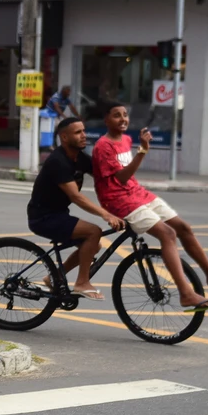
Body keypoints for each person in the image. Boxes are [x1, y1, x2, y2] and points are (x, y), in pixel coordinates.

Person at [92, 103, 208, 308]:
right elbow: (122, 177)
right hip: (117, 199)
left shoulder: (126, 139)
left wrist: (140, 148)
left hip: (136, 192)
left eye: (125, 115)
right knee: (167, 234)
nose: (123, 119)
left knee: (184, 228)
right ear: (106, 120)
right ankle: (186, 293)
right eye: (116, 116)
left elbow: (128, 177)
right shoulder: (103, 146)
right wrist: (142, 151)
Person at [27, 118, 126, 300]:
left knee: (94, 244)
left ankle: (54, 276)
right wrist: (106, 214)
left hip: (58, 214)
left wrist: (130, 200)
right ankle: (82, 283)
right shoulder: (58, 161)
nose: (84, 136)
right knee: (93, 232)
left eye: (83, 130)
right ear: (64, 137)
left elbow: (106, 178)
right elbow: (76, 197)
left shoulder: (80, 158)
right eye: (78, 132)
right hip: (43, 217)